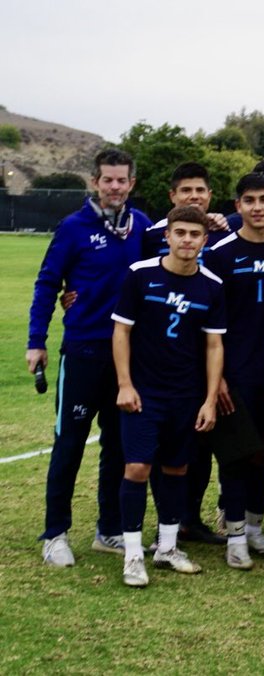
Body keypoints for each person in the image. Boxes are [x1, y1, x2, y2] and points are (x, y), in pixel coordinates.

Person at [29, 148, 153, 567]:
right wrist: (36, 340)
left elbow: (178, 254)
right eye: (107, 180)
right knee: (70, 444)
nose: (114, 187)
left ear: (131, 184)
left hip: (129, 359)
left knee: (118, 446)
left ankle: (110, 530)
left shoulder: (144, 227)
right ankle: (55, 533)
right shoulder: (73, 228)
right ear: (95, 182)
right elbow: (48, 284)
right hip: (83, 351)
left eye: (122, 180)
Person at [110, 205, 226, 586]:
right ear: (168, 236)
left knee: (177, 469)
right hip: (145, 393)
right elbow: (122, 332)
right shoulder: (140, 275)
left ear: (204, 240)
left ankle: (168, 547)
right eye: (180, 233)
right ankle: (132, 555)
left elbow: (213, 346)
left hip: (186, 395)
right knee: (137, 468)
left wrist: (209, 399)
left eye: (195, 235)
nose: (187, 241)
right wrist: (125, 384)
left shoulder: (211, 285)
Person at [205, 173, 264, 567]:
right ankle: (236, 536)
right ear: (237, 205)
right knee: (237, 455)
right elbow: (208, 322)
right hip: (236, 371)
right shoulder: (220, 253)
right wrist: (218, 377)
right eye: (249, 200)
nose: (257, 207)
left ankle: (257, 529)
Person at [140, 162, 230, 260]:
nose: (194, 196)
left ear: (209, 195)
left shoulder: (223, 233)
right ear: (172, 196)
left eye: (200, 190)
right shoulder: (153, 235)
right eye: (186, 190)